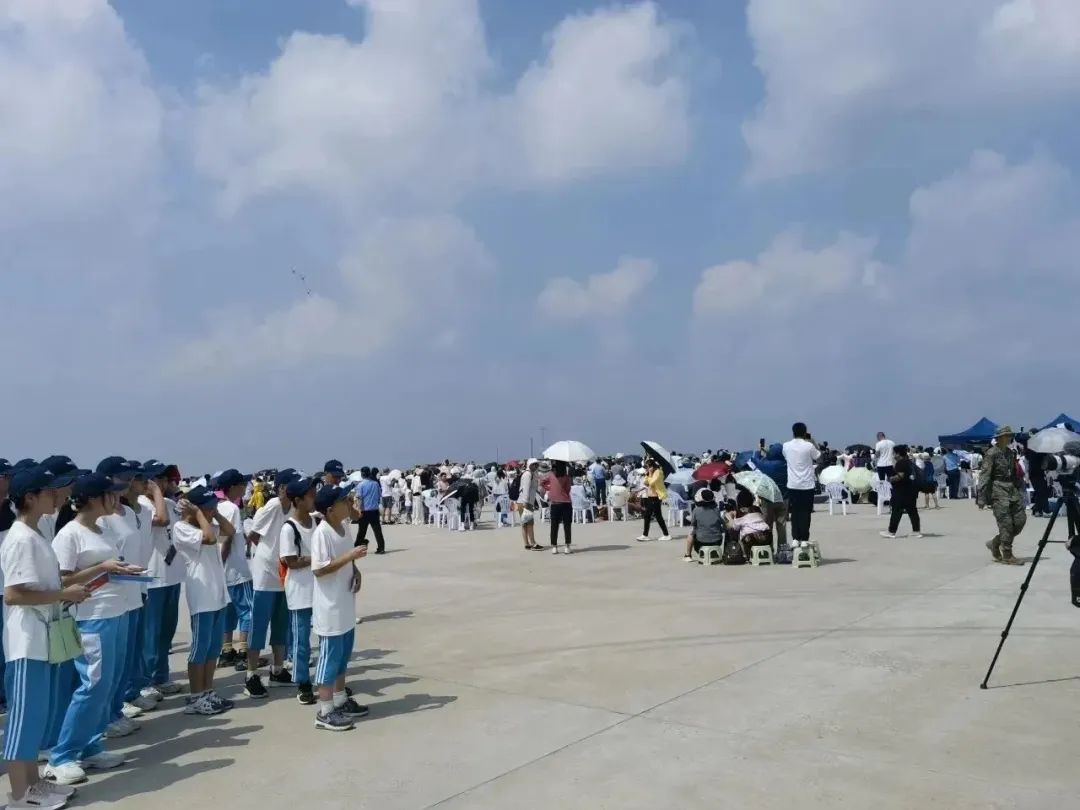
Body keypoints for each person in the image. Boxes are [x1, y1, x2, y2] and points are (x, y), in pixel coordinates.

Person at [46, 473, 143, 786]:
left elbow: (106, 567)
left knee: (108, 682)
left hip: (115, 610)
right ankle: (62, 755)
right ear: (91, 498)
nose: (116, 498)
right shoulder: (70, 534)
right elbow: (61, 581)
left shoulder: (101, 529)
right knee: (93, 683)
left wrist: (122, 570)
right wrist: (103, 568)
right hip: (91, 616)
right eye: (109, 494)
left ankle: (90, 745)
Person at [3, 466, 88, 810]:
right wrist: (64, 596)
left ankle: (35, 786)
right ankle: (19, 796)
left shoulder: (35, 533)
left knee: (36, 717)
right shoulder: (21, 538)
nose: (57, 496)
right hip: (26, 642)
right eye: (49, 492)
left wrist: (67, 591)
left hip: (42, 639)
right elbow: (13, 595)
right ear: (30, 498)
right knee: (23, 722)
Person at [310, 484, 370, 730]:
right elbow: (320, 568)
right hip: (330, 608)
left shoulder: (343, 527)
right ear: (331, 509)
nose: (349, 503)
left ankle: (340, 699)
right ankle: (324, 711)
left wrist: (355, 570)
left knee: (343, 656)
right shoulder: (322, 533)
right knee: (329, 659)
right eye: (344, 500)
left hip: (345, 604)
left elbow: (346, 558)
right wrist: (350, 558)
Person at [173, 486, 233, 716]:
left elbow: (230, 530)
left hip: (217, 594)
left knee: (212, 648)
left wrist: (214, 513)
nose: (211, 513)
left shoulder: (206, 522)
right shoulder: (182, 528)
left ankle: (208, 690)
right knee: (199, 649)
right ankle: (195, 696)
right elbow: (208, 539)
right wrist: (198, 513)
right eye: (208, 508)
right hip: (201, 595)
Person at [244, 468, 300, 698]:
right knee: (259, 624)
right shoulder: (273, 506)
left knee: (280, 623)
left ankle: (277, 670)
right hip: (265, 575)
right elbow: (253, 534)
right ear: (282, 488)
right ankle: (251, 675)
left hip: (284, 574)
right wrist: (267, 555)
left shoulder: (295, 508)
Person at [137, 462, 185, 697]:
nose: (164, 483)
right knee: (151, 633)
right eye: (159, 479)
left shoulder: (169, 503)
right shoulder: (143, 505)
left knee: (167, 631)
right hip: (153, 578)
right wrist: (155, 493)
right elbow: (162, 521)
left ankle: (161, 676)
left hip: (172, 575)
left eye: (165, 480)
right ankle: (145, 681)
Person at [279, 477, 318, 706]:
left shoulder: (315, 522)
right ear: (297, 500)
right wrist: (318, 560)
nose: (314, 497)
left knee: (323, 636)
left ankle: (324, 679)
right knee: (301, 641)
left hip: (318, 589)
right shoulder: (289, 528)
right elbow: (291, 561)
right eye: (309, 495)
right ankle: (303, 683)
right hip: (300, 592)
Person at [215, 470, 253, 670]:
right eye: (241, 485)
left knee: (228, 612)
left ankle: (226, 650)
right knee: (247, 611)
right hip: (236, 570)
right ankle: (243, 651)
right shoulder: (232, 508)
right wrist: (222, 560)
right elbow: (227, 538)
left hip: (222, 572)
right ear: (233, 487)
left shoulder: (217, 507)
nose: (244, 488)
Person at [978, 426, 1026, 564]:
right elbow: (985, 475)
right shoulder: (991, 453)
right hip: (998, 490)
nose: (1008, 438)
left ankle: (994, 543)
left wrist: (1019, 486)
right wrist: (981, 497)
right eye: (1005, 435)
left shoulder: (1011, 453)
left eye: (1009, 435)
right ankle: (1007, 555)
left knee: (1020, 521)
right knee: (1006, 524)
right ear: (998, 438)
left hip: (1012, 490)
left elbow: (1014, 473)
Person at [783, 422, 821, 551]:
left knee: (795, 512)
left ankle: (795, 538)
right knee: (805, 513)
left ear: (793, 432)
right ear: (805, 433)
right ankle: (804, 539)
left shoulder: (786, 446)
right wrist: (813, 441)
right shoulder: (809, 446)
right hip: (807, 485)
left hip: (793, 484)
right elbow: (819, 458)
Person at [880, 445, 923, 539]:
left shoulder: (900, 463)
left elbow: (900, 476)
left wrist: (890, 479)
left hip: (901, 491)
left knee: (896, 511)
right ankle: (916, 531)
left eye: (894, 453)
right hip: (911, 490)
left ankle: (891, 531)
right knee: (912, 511)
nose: (893, 455)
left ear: (898, 454)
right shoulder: (909, 462)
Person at [754, 443, 789, 556]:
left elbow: (755, 459)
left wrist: (759, 450)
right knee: (782, 525)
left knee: (767, 525)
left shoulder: (766, 465)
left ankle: (768, 549)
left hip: (767, 498)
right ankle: (782, 550)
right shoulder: (787, 464)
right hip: (783, 498)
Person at [540, 461, 573, 555]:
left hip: (555, 503)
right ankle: (567, 546)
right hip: (566, 502)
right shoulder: (566, 477)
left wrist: (549, 488)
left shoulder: (551, 475)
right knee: (567, 525)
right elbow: (568, 489)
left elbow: (541, 482)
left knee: (554, 526)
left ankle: (554, 547)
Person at [636, 459, 672, 542]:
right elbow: (645, 483)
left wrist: (650, 474)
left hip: (656, 497)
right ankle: (646, 535)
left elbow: (651, 483)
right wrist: (647, 474)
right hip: (650, 496)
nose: (647, 469)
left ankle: (666, 534)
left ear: (652, 466)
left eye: (648, 467)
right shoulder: (650, 473)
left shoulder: (658, 472)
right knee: (648, 516)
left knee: (657, 516)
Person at [683, 488, 723, 562]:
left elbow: (693, 525)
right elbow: (720, 522)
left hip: (700, 543)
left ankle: (688, 555)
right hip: (717, 541)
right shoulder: (717, 510)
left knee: (691, 533)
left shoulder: (696, 510)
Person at [355, 467, 386, 554]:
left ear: (362, 474)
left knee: (361, 531)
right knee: (377, 531)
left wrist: (358, 509)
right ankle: (381, 548)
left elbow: (359, 498)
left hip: (364, 511)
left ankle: (357, 547)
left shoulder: (361, 485)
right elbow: (379, 495)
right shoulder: (376, 484)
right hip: (374, 510)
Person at [516, 460, 542, 550]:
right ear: (529, 465)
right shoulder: (528, 474)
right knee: (529, 524)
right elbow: (526, 489)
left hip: (522, 502)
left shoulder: (530, 474)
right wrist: (526, 503)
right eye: (534, 464)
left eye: (536, 464)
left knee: (525, 524)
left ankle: (527, 544)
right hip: (525, 502)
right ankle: (533, 543)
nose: (535, 466)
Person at [1023, 432, 1050, 517]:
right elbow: (1042, 455)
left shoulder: (1031, 447)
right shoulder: (1034, 448)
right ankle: (1041, 509)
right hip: (1036, 473)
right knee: (1042, 491)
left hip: (1037, 473)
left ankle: (1038, 510)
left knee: (1041, 492)